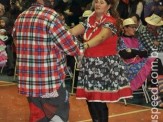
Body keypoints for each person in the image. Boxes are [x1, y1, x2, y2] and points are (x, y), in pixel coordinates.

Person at [12, 0, 84, 122]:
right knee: (57, 117)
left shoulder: (21, 16)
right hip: (50, 82)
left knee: (38, 117)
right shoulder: (50, 15)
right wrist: (82, 47)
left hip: (29, 82)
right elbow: (71, 46)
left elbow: (15, 42)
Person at [69, 0, 133, 121]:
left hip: (103, 65)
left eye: (102, 2)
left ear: (109, 6)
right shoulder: (90, 19)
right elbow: (72, 31)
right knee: (90, 99)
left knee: (99, 100)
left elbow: (101, 37)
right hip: (89, 64)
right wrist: (60, 33)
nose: (98, 4)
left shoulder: (110, 22)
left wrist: (85, 46)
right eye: (97, 2)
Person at [118, 18, 155, 91]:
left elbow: (145, 52)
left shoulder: (136, 40)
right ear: (125, 28)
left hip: (140, 62)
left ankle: (156, 85)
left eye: (135, 27)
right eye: (132, 27)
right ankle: (156, 86)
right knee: (154, 61)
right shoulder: (120, 40)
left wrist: (132, 51)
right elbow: (125, 55)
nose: (134, 29)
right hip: (128, 65)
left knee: (155, 60)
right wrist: (138, 52)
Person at [139, 13, 163, 108]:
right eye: (148, 23)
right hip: (147, 58)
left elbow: (157, 46)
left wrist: (158, 43)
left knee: (158, 61)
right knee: (156, 62)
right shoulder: (144, 32)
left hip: (160, 56)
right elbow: (152, 48)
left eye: (151, 24)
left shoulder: (161, 31)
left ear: (157, 26)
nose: (149, 25)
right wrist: (159, 44)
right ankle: (156, 95)